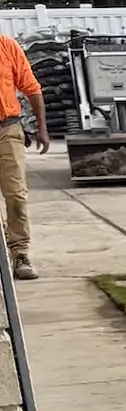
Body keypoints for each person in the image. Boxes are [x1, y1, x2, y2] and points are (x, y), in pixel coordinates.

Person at [0, 36, 52, 281]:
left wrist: (42, 127)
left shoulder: (7, 46)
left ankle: (20, 252)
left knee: (16, 194)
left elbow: (32, 88)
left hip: (7, 129)